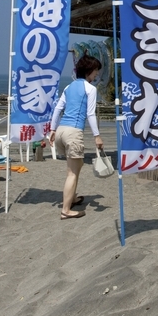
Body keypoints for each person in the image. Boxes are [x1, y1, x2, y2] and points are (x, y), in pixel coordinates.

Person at [47, 55, 104, 220]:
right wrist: (97, 136)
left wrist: (52, 129)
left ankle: (71, 198)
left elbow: (58, 109)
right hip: (73, 132)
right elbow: (90, 114)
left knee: (76, 166)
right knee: (72, 173)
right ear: (89, 70)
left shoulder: (68, 87)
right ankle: (66, 210)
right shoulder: (90, 89)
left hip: (61, 131)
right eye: (95, 71)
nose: (96, 75)